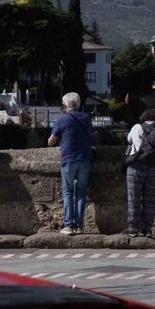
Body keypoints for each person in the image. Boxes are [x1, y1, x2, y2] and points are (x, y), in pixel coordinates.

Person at [48, 92, 94, 234]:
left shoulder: (62, 120)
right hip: (85, 158)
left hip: (68, 159)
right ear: (78, 104)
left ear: (65, 105)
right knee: (81, 192)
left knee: (68, 193)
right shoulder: (86, 119)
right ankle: (79, 226)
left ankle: (69, 225)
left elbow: (51, 142)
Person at [124, 108, 155, 239]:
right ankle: (147, 229)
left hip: (136, 166)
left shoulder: (137, 127)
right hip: (154, 167)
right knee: (150, 198)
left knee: (134, 197)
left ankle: (133, 228)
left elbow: (129, 140)